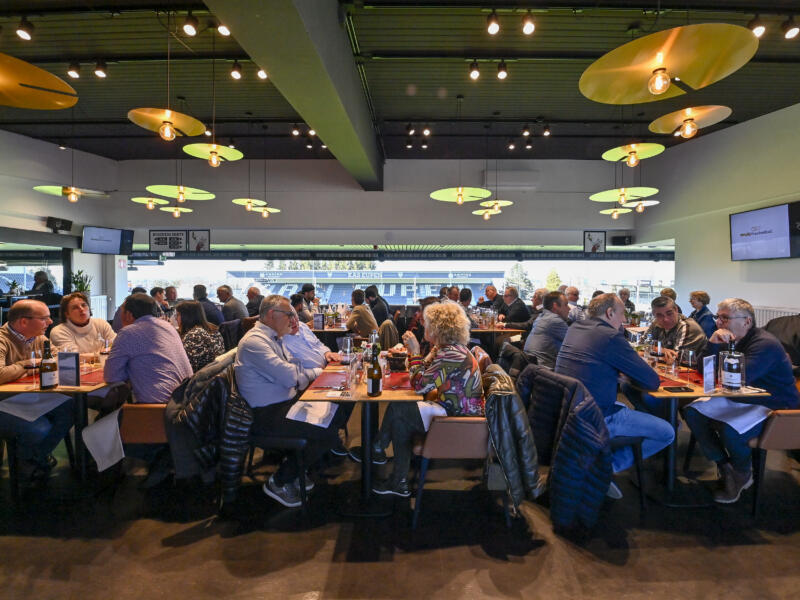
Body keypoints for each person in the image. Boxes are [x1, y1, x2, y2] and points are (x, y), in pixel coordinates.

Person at [555, 293, 674, 497]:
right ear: (610, 313)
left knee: (627, 406)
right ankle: (607, 468)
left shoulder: (575, 328)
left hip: (567, 411)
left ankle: (598, 465)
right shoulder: (610, 336)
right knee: (668, 432)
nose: (625, 320)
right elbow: (652, 382)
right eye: (621, 314)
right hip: (597, 416)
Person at [685, 298, 799, 504]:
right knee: (692, 411)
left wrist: (719, 351)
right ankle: (724, 466)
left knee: (731, 431)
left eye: (725, 318)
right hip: (742, 398)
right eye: (718, 317)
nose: (719, 322)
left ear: (746, 321)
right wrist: (712, 344)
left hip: (773, 404)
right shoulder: (725, 338)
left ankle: (742, 472)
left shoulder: (764, 344)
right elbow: (703, 371)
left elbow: (737, 378)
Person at [234, 295, 342, 508]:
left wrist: (300, 375)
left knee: (333, 413)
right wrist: (307, 374)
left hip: (283, 404)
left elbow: (294, 373)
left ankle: (294, 471)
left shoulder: (272, 337)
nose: (294, 319)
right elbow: (291, 376)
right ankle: (280, 480)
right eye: (289, 314)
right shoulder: (255, 342)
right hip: (266, 415)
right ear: (272, 315)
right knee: (328, 431)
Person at [372, 302, 484, 497]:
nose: (423, 325)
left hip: (458, 420)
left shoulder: (451, 354)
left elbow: (420, 385)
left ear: (438, 328)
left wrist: (415, 352)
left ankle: (378, 449)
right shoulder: (449, 349)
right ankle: (398, 480)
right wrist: (426, 353)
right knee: (400, 420)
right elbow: (423, 372)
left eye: (427, 323)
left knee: (399, 410)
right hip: (452, 410)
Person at [0, 299, 74, 481]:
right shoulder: (2, 340)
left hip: (31, 398)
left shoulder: (39, 338)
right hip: (5, 403)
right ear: (23, 322)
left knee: (72, 408)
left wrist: (22, 369)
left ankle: (31, 459)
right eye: (44, 319)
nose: (50, 322)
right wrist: (27, 365)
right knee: (40, 429)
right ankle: (27, 462)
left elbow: (58, 359)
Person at [625, 296, 708, 415]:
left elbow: (675, 359)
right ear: (654, 314)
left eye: (669, 313)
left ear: (676, 310)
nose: (665, 319)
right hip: (666, 373)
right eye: (659, 315)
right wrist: (661, 350)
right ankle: (656, 421)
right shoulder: (656, 324)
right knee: (627, 385)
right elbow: (639, 347)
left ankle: (665, 424)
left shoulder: (687, 326)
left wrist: (651, 353)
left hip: (691, 380)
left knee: (649, 396)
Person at [104, 293, 192, 404]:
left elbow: (111, 376)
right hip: (186, 401)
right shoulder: (168, 326)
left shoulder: (128, 332)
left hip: (158, 409)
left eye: (121, 311)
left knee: (115, 413)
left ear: (129, 315)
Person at [50, 292, 116, 356]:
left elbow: (117, 347)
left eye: (84, 305)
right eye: (75, 308)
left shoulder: (101, 323)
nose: (81, 309)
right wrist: (103, 353)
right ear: (67, 314)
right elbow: (73, 358)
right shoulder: (59, 331)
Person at [175, 300, 225, 373]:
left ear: (187, 316)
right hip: (213, 375)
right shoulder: (212, 329)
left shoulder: (194, 335)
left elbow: (186, 367)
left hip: (200, 379)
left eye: (178, 315)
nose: (176, 318)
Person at [524, 291, 570, 369]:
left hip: (531, 367)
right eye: (565, 305)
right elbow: (575, 345)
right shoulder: (555, 321)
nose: (569, 309)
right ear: (555, 306)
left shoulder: (541, 317)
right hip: (545, 371)